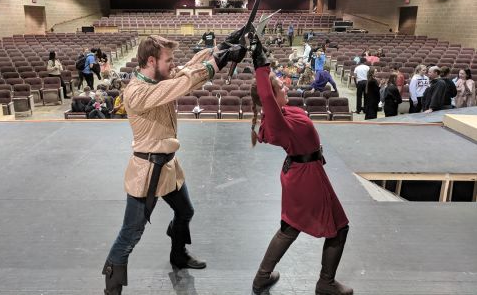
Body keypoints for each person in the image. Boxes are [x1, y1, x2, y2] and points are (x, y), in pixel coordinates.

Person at [102, 32, 246, 295]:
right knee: (130, 234)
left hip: (168, 167)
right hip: (146, 173)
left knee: (185, 212)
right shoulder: (137, 91)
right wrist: (217, 64)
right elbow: (180, 84)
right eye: (168, 60)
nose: (172, 64)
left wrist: (220, 48)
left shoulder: (161, 76)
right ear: (150, 61)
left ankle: (178, 255)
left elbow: (187, 69)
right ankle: (111, 289)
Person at [249, 37, 352, 295]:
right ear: (269, 99)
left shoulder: (284, 114)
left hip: (305, 173)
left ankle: (262, 278)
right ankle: (325, 283)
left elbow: (270, 94)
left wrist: (264, 60)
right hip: (305, 178)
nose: (285, 86)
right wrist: (260, 64)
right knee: (337, 227)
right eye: (279, 87)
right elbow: (265, 94)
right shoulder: (276, 122)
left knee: (290, 226)